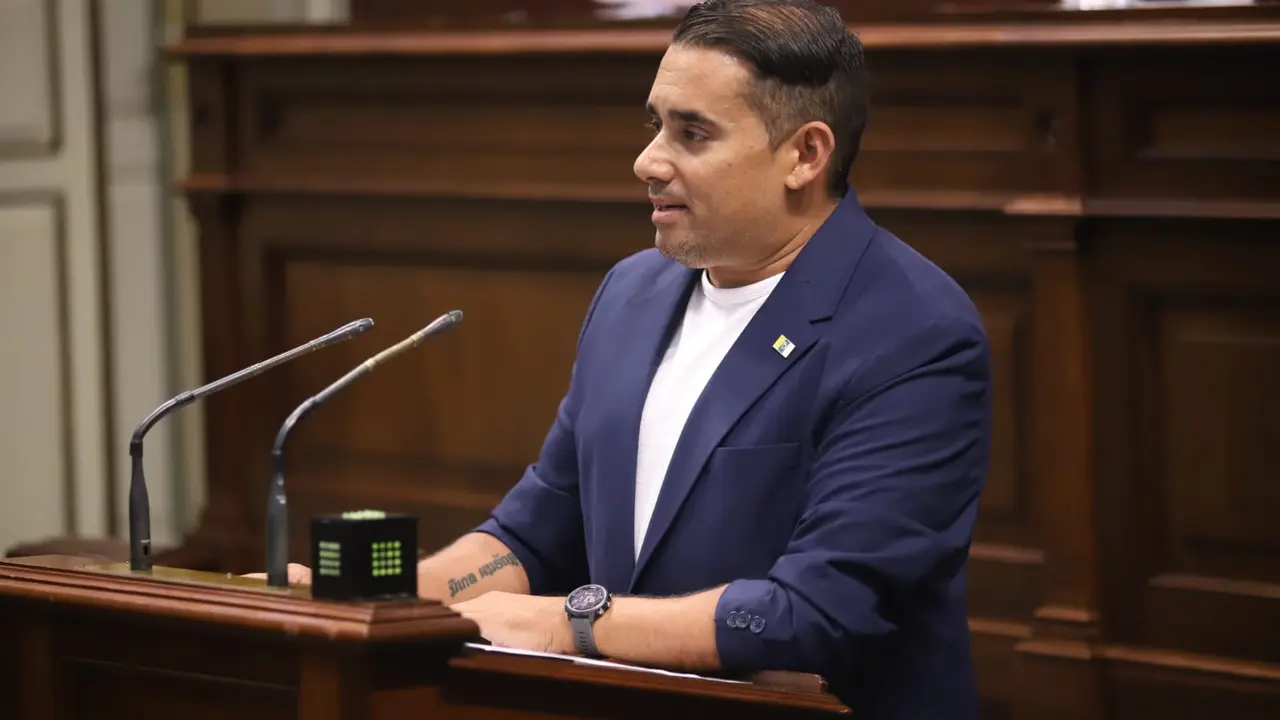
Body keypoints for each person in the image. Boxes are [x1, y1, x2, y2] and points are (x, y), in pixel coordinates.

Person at [268, 1, 992, 716]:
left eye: (693, 134)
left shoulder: (913, 331)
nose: (648, 161)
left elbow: (821, 611)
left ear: (804, 154)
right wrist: (379, 606)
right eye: (656, 125)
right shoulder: (633, 294)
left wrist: (570, 625)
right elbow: (534, 534)